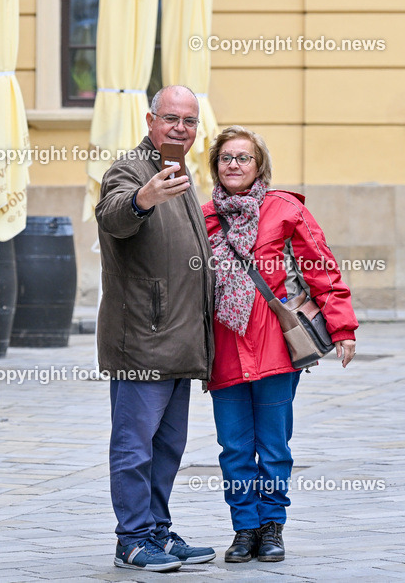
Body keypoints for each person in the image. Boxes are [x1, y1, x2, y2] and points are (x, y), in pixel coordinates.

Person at [202, 126, 358, 563]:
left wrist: (342, 328)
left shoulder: (284, 209)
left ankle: (272, 527)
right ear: (215, 165)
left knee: (273, 444)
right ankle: (244, 529)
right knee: (233, 446)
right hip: (225, 350)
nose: (234, 165)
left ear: (259, 166)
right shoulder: (202, 217)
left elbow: (321, 270)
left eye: (243, 158)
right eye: (226, 158)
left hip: (276, 347)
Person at [95, 85, 216, 572]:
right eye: (171, 119)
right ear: (151, 120)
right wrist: (143, 200)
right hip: (142, 338)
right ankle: (132, 540)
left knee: (167, 447)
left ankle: (158, 532)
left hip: (180, 340)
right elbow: (114, 216)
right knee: (134, 445)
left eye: (189, 121)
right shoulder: (131, 169)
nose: (180, 129)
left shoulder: (182, 173)